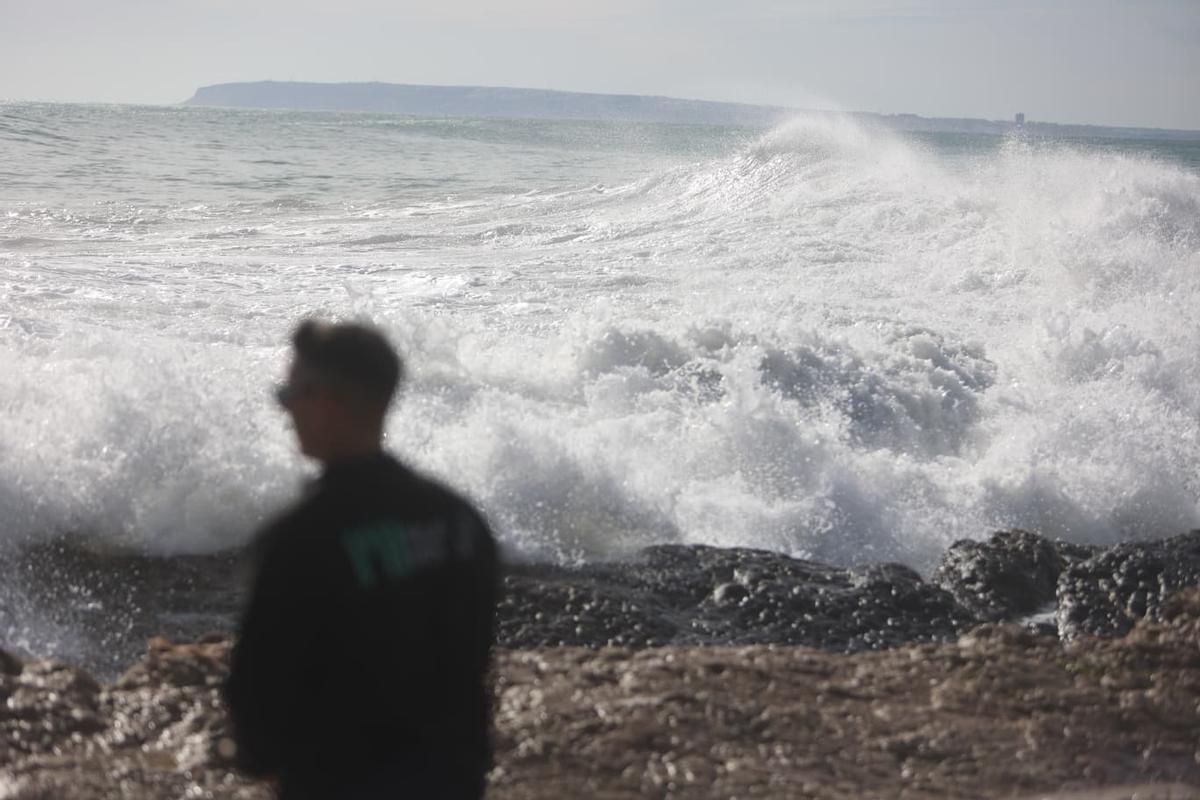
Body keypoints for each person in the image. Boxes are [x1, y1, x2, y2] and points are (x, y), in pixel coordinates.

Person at [224, 319, 498, 800]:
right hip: (451, 779)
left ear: (324, 401)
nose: (285, 410)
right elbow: (474, 655)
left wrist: (264, 762)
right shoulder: (459, 521)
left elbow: (257, 693)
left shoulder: (300, 538)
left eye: (289, 395)